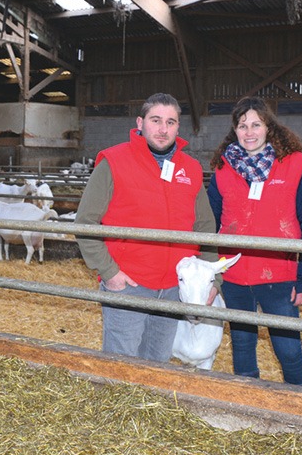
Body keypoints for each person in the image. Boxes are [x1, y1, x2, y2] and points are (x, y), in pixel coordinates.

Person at [75, 92, 219, 363]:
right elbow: (85, 222)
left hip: (174, 289)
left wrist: (214, 277)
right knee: (122, 362)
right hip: (129, 283)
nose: (163, 129)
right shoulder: (114, 162)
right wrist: (110, 272)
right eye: (156, 120)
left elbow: (205, 226)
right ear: (140, 123)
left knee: (157, 362)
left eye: (171, 122)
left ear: (178, 127)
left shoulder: (190, 168)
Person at [205, 97, 302, 387]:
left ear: (269, 127)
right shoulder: (223, 170)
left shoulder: (295, 165)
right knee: (243, 344)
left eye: (256, 124)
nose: (249, 132)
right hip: (234, 274)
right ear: (235, 130)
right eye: (242, 125)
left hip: (279, 274)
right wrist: (211, 273)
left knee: (289, 349)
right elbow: (208, 223)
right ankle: (249, 400)